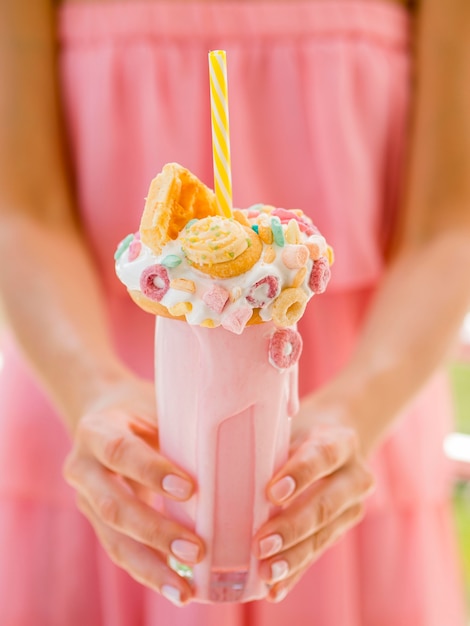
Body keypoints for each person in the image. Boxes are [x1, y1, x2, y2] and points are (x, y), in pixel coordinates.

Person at [0, 0, 468, 624]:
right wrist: (90, 388)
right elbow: (24, 207)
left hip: (346, 438)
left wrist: (359, 408)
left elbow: (447, 224)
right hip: (101, 439)